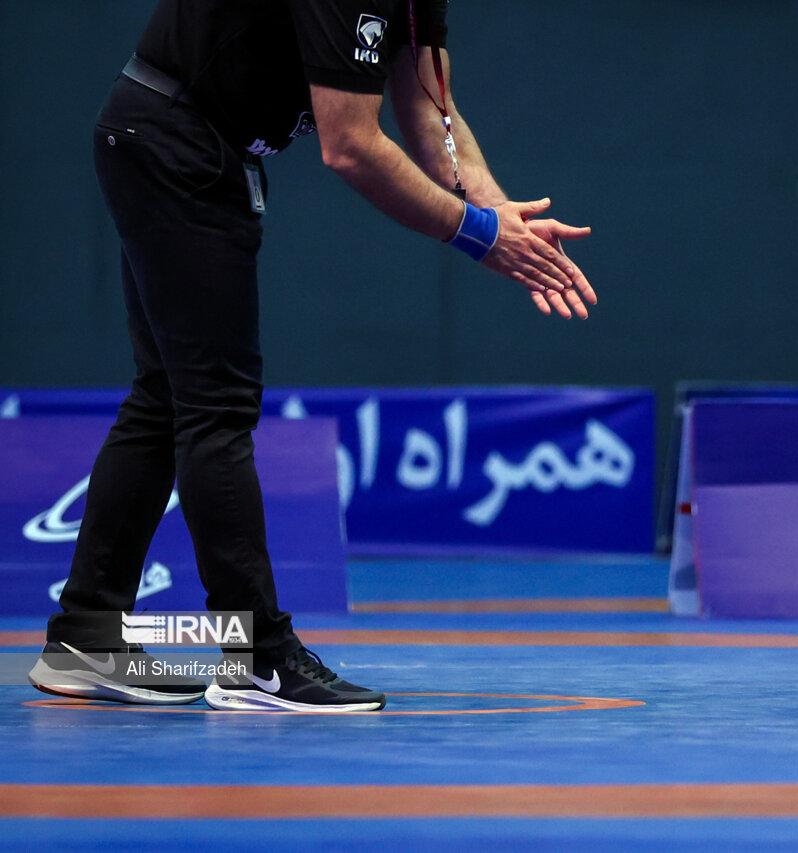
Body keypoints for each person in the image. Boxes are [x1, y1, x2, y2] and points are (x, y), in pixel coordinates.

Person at [28, 0, 595, 713]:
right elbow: (349, 145)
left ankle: (87, 635)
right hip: (174, 140)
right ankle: (257, 659)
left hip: (177, 139)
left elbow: (431, 108)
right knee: (215, 407)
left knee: (168, 395)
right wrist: (477, 235)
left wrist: (497, 214)